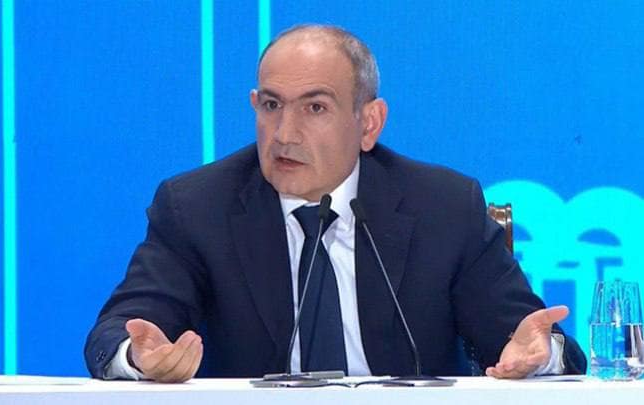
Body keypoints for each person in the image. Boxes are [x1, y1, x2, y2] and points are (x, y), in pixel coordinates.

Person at [85, 24, 586, 383]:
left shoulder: (444, 206)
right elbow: (120, 330)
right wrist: (139, 357)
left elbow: (522, 335)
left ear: (368, 123)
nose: (285, 133)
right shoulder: (196, 207)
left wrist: (539, 353)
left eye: (315, 107)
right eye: (272, 105)